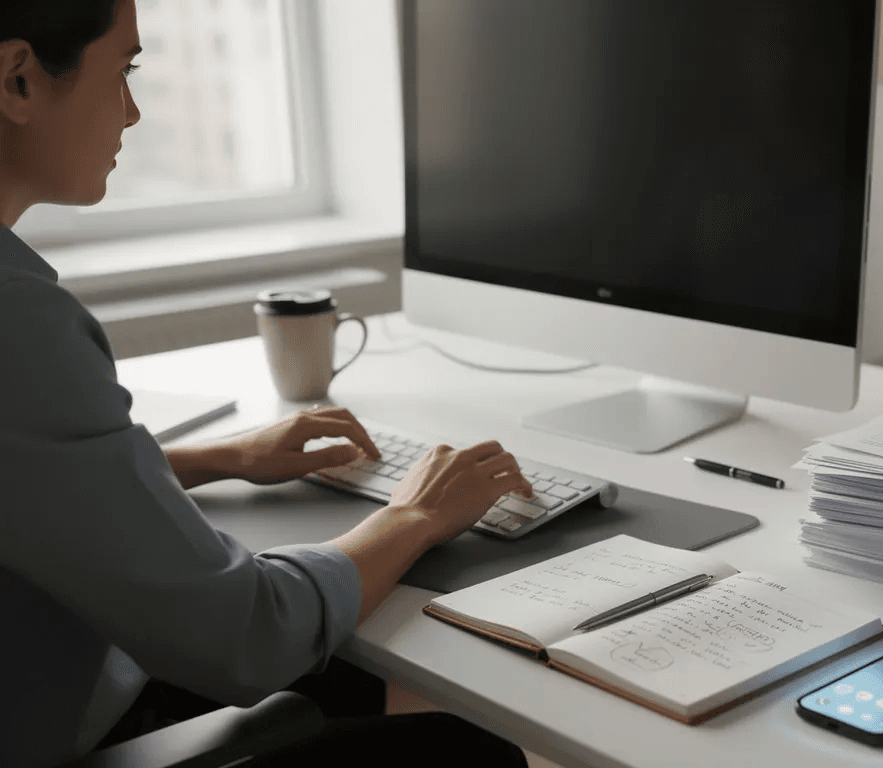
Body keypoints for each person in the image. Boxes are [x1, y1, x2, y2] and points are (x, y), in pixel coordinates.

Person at [0, 1, 533, 765]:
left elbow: (25, 482)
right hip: (56, 731)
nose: (133, 109)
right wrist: (413, 513)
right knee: (465, 748)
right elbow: (247, 635)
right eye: (124, 70)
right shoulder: (18, 324)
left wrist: (219, 457)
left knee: (338, 681)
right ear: (17, 79)